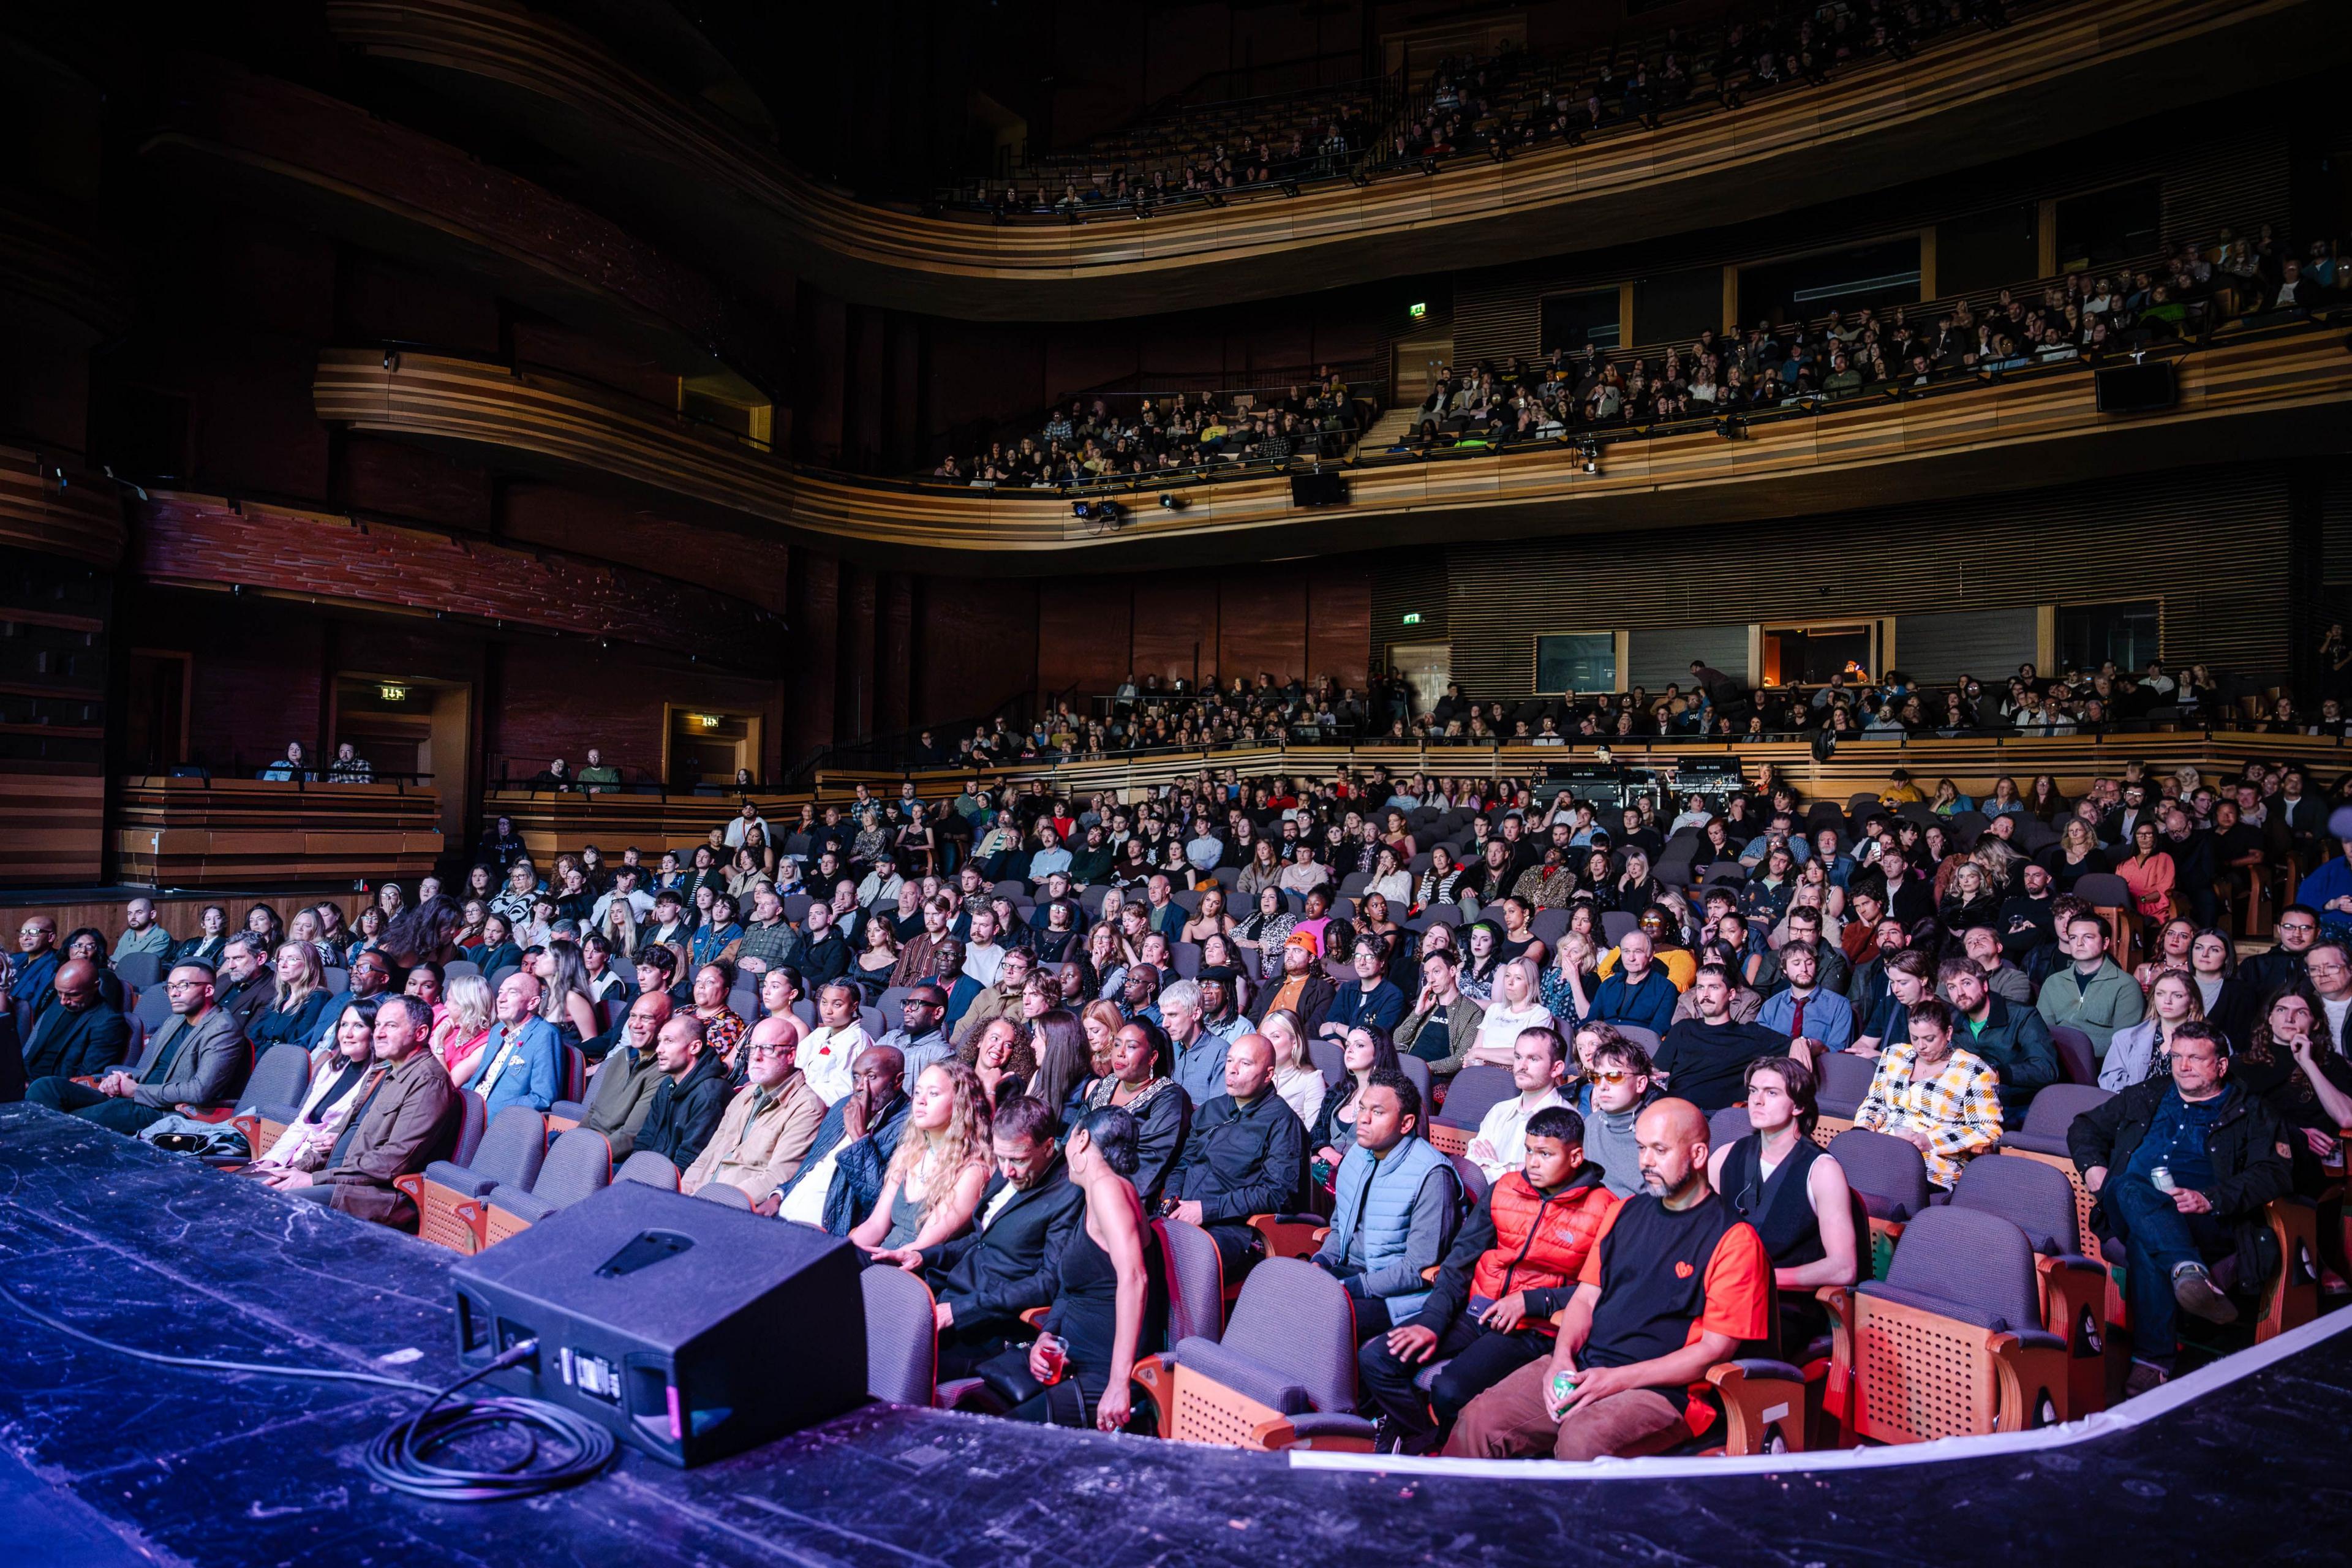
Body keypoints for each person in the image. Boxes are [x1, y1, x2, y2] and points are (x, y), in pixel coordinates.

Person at [1445, 1099, 1771, 1461]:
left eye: (1660, 1150)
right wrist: (1561, 1359)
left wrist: (1615, 1380)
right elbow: (1585, 1298)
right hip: (1586, 1366)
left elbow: (1714, 1351)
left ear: (1697, 1154)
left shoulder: (1735, 1240)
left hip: (1664, 1391)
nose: (1646, 1161)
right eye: (1642, 1148)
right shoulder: (1622, 1213)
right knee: (1479, 1419)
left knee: (1582, 1440)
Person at [1359, 1104, 1618, 1453]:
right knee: (1377, 1359)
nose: (1533, 1163)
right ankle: (1425, 1438)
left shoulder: (1605, 1208)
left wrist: (1535, 1302)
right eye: (1528, 1151)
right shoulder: (1504, 1189)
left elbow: (1603, 1290)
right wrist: (1433, 1322)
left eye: (1545, 1154)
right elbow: (1459, 1263)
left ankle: (1450, 1452)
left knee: (1450, 1389)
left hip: (1531, 1328)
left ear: (1575, 1157)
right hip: (1476, 1310)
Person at [2068, 1022, 2293, 1394]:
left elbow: (2275, 1173)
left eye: (2195, 1058)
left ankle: (2154, 1356)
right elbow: (2085, 1126)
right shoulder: (2149, 1094)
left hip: (2204, 1218)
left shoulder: (2250, 1111)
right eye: (2176, 1057)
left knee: (2147, 1241)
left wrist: (2211, 1199)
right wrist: (2093, 1168)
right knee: (2128, 1185)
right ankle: (2190, 1273)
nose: (2183, 1066)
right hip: (2124, 1205)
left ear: (2221, 1066)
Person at [875, 1095, 1087, 1378]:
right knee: (868, 1336)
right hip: (950, 1294)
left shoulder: (1069, 1193)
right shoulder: (1009, 1168)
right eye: (1000, 1157)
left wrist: (961, 1310)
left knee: (896, 1369)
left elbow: (1048, 1283)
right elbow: (979, 1240)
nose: (1006, 1170)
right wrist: (922, 1256)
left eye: (1018, 1160)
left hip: (988, 1325)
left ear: (1049, 1147)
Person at [989, 1105, 1166, 1430]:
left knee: (994, 1441)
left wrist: (1118, 1383)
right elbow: (1070, 1288)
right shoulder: (1094, 1193)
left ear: (1082, 1139)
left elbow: (1135, 1278)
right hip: (1072, 1357)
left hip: (1100, 1369)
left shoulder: (1108, 1188)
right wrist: (1046, 1336)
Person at [262, 995, 458, 1230]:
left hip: (373, 1196)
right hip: (337, 1179)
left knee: (269, 1205)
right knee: (252, 1185)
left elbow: (392, 1162)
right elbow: (341, 1134)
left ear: (420, 1033)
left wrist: (313, 1179)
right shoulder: (381, 1074)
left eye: (391, 1026)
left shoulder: (428, 1081)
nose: (379, 1034)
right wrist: (297, 1168)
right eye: (378, 1026)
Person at [1706, 1055, 1858, 1352]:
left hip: (1782, 1307)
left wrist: (1763, 1279)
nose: (1757, 1101)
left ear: (1798, 1106)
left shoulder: (1822, 1170)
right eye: (1753, 1091)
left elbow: (1843, 1269)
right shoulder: (1725, 1155)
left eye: (1771, 1093)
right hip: (1724, 1292)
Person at [1311, 1068, 1461, 1341]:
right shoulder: (1357, 1155)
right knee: (1280, 1297)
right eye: (1362, 1108)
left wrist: (1352, 1286)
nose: (1363, 1120)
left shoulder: (1432, 1174)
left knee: (1317, 1320)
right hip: (1349, 1274)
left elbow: (1418, 1267)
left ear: (1406, 1124)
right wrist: (1322, 1262)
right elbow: (1338, 1227)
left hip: (1396, 1295)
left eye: (1378, 1113)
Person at [26, 960, 243, 1133]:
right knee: (46, 1087)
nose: (174, 993)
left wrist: (137, 1091)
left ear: (207, 991)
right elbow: (153, 1071)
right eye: (170, 987)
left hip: (163, 1110)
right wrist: (123, 1080)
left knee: (79, 1120)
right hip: (137, 1095)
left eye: (183, 986)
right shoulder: (175, 1020)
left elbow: (200, 1091)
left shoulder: (223, 1029)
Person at [1159, 1032, 1306, 1281]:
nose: (1232, 1070)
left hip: (1234, 1228)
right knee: (1129, 1244)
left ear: (1269, 1075)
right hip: (1184, 1212)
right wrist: (1173, 1197)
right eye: (1229, 1061)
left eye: (1245, 1064)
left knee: (1177, 1264)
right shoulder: (1211, 1110)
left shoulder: (1282, 1122)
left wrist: (1207, 1210)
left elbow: (1278, 1194)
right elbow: (1184, 1163)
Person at [1853, 997, 2002, 1190]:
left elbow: (1988, 1130)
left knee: (1887, 1185)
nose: (1921, 1046)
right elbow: (1875, 1102)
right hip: (1883, 1150)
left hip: (1934, 1164)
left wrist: (1931, 1141)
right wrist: (1863, 1131)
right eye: (1915, 1038)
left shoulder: (1973, 1070)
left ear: (1948, 1033)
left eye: (1929, 1039)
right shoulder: (1894, 1055)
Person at [850, 1061, 994, 1254]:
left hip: (917, 1273)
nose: (920, 1100)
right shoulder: (910, 1152)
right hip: (882, 1256)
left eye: (933, 1093)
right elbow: (875, 1225)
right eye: (917, 1092)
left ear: (961, 1103)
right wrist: (838, 1251)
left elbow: (923, 1246)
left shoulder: (973, 1171)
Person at [766, 1044, 910, 1234]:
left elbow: (879, 1205)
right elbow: (810, 1165)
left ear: (897, 1081)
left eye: (871, 1077)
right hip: (781, 1215)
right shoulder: (843, 1106)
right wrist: (778, 1195)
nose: (860, 1087)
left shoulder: (909, 1127)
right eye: (856, 1077)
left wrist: (859, 1139)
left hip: (824, 1232)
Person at [682, 1016, 828, 1200]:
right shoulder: (744, 1094)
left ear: (790, 1055)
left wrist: (713, 1200)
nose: (757, 1056)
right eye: (752, 1048)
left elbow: (777, 1176)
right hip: (697, 1196)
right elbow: (708, 1156)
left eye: (767, 1049)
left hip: (732, 1206)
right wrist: (684, 1192)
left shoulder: (807, 1107)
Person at [247, 997, 380, 1175]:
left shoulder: (379, 1079)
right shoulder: (331, 1068)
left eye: (358, 1026)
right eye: (344, 1025)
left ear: (374, 1032)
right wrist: (273, 1159)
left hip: (323, 1166)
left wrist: (295, 1167)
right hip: (292, 1157)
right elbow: (301, 1124)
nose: (347, 1034)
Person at [1076, 1019, 1190, 1204]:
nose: (1120, 1054)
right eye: (1117, 1044)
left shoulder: (1169, 1098)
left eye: (1131, 1047)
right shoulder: (1108, 1083)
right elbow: (1076, 1132)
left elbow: (1149, 1162)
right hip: (1078, 1179)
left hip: (1120, 1196)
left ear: (1152, 1057)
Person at [1651, 966, 1793, 1112]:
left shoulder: (1750, 1034)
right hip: (1672, 1111)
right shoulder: (1683, 1029)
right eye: (1700, 987)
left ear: (1731, 994)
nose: (1705, 994)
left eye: (1713, 987)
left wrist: (1802, 1042)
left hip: (1715, 1119)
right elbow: (1656, 1072)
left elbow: (1807, 1047)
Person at [1939, 955, 2057, 1117]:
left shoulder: (2022, 1015)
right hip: (1972, 1103)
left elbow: (2046, 1070)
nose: (1960, 993)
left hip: (2022, 1104)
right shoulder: (1954, 1022)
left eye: (1966, 983)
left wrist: (1997, 1072)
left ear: (1985, 985)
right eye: (1952, 987)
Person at [1464, 1025, 1570, 1183]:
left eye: (1533, 1059)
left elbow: (1543, 1184)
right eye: (1518, 1057)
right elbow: (1472, 1170)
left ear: (1556, 1068)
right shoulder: (1499, 1111)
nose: (1522, 1066)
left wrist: (1494, 1168)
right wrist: (1513, 1169)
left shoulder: (1568, 1121)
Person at [2036, 912, 2146, 1058]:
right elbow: (2041, 1030)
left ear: (2105, 943)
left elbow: (2124, 1041)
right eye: (2073, 938)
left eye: (2088, 937)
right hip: (2053, 1059)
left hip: (2100, 1063)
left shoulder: (2125, 985)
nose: (2079, 943)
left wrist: (2077, 1050)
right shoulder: (2053, 982)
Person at [579, 990, 673, 1161]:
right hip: (589, 1145)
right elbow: (594, 1110)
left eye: (646, 1018)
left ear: (665, 1024)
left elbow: (630, 1135)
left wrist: (588, 1157)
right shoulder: (621, 1057)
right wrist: (574, 1143)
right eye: (633, 1016)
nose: (636, 1024)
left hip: (611, 1158)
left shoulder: (664, 1072)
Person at [632, 1013, 732, 1170]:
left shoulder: (711, 1095)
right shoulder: (667, 1084)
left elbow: (689, 1161)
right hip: (650, 1171)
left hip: (673, 1183)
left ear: (694, 1047)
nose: (659, 1049)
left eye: (669, 1041)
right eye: (660, 1041)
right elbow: (645, 1138)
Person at [461, 970, 563, 1118]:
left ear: (532, 1003)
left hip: (498, 1120)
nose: (501, 999)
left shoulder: (545, 1035)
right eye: (501, 992)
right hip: (469, 1111)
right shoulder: (497, 1031)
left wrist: (490, 1110)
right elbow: (479, 1079)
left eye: (512, 993)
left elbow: (543, 1098)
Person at [15, 959, 130, 1088]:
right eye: (60, 993)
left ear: (95, 987)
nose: (63, 1002)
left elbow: (85, 1077)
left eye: (73, 995)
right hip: (24, 1076)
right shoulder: (58, 1004)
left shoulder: (109, 1022)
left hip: (52, 1086)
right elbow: (33, 1052)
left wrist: (30, 1086)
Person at [1396, 947, 1488, 1077]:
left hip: (1433, 1076)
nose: (1431, 979)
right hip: (1408, 1070)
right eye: (1427, 974)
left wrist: (1422, 1068)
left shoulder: (1472, 1012)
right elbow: (1398, 1041)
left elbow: (1461, 1059)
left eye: (1437, 972)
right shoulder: (1427, 1003)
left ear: (1452, 971)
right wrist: (1417, 1013)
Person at [1752, 940, 1853, 1058]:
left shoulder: (1839, 1005)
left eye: (1809, 963)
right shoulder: (1771, 1006)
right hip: (1776, 1069)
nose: (1804, 969)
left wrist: (1820, 1048)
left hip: (1822, 1069)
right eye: (1796, 964)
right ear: (1785, 969)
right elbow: (1759, 1046)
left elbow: (1839, 1052)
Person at [796, 979, 872, 1104]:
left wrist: (799, 1096)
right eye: (824, 1002)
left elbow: (842, 1094)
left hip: (816, 1108)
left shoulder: (857, 1043)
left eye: (837, 1005)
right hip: (797, 1099)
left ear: (854, 1006)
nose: (827, 1011)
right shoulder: (819, 1033)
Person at [1591, 930, 1679, 1036]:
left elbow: (1657, 1031)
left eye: (1638, 951)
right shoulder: (1608, 985)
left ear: (1651, 955)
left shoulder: (1666, 988)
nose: (1631, 958)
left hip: (1640, 1048)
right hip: (1604, 1045)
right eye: (1626, 951)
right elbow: (1591, 1021)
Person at [110, 899, 174, 970]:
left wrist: (115, 966)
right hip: (118, 976)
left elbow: (142, 965)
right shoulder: (129, 933)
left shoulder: (161, 936)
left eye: (139, 913)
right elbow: (115, 959)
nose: (133, 917)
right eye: (130, 913)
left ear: (152, 915)